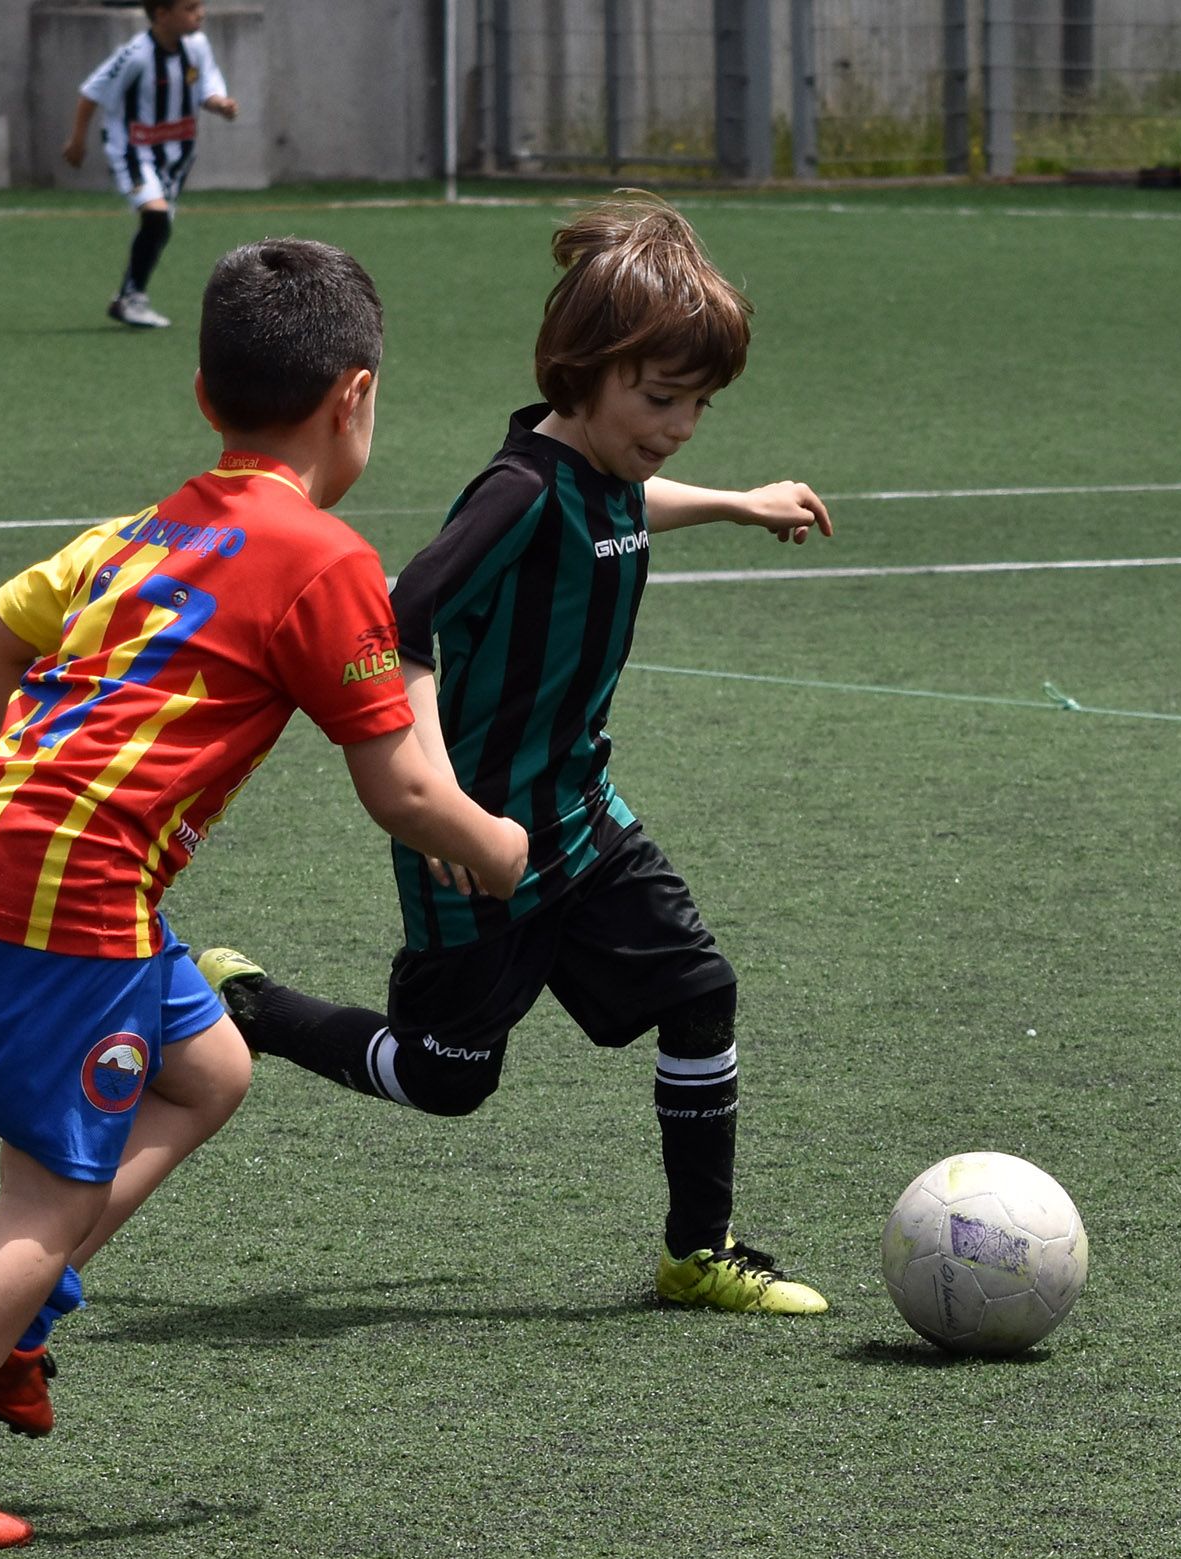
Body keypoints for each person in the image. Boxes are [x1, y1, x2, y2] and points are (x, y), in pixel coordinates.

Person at [0, 240, 528, 1557]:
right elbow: (406, 795)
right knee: (46, 1196)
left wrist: (39, 786)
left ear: (206, 397)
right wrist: (503, 850)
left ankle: (19, 1325)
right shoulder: (323, 558)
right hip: (73, 878)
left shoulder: (146, 529)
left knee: (207, 1070)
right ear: (356, 398)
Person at [197, 194, 838, 1318]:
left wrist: (738, 504)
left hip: (582, 817)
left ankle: (699, 1251)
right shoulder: (517, 491)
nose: (681, 424)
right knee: (446, 1078)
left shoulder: (600, 466)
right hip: (475, 840)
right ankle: (247, 1002)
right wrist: (439, 797)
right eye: (660, 398)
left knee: (701, 992)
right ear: (582, 371)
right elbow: (404, 615)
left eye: (698, 403)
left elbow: (626, 499)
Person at [63, 0, 238, 330]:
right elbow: (92, 92)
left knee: (159, 225)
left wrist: (220, 104)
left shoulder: (197, 46)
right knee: (156, 217)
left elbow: (206, 86)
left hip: (177, 155)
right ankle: (131, 299)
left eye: (200, 5)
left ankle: (128, 296)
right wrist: (77, 140)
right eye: (189, 7)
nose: (200, 13)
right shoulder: (136, 55)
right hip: (133, 152)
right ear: (161, 15)